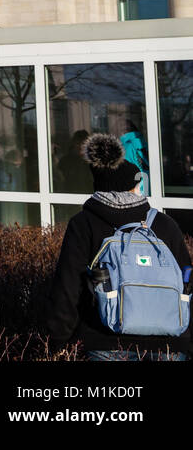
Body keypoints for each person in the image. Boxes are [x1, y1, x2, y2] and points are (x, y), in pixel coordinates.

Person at [46, 134, 191, 360]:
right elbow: (187, 282)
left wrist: (58, 342)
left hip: (106, 343)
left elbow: (67, 288)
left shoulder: (83, 224)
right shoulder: (164, 225)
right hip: (170, 345)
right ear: (132, 186)